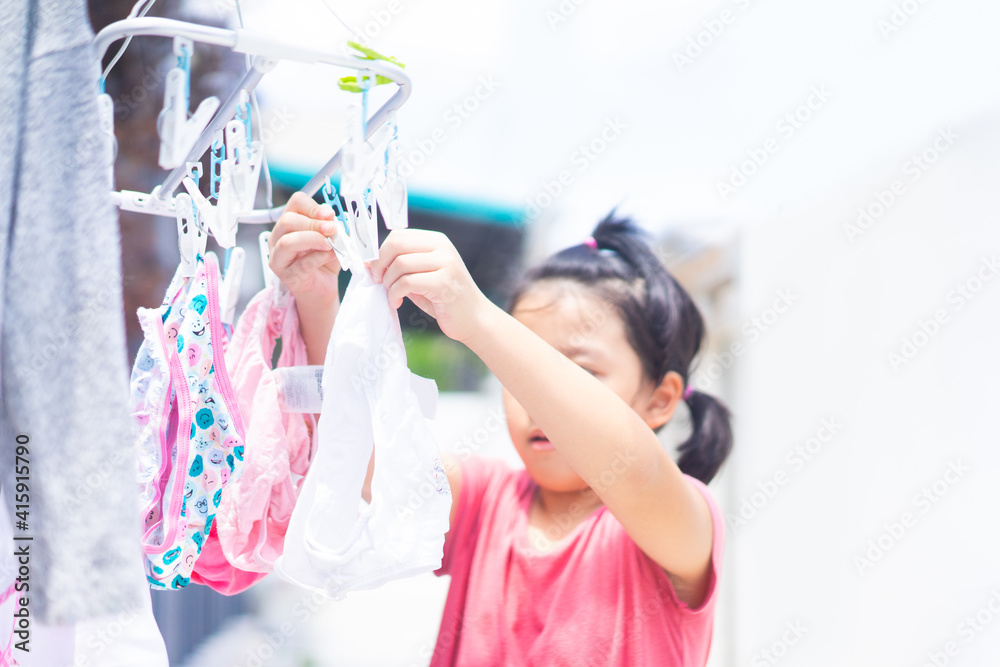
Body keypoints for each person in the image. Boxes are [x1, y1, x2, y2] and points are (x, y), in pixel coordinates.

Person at [267, 192, 734, 666]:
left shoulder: (681, 522)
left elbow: (636, 471)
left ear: (661, 399)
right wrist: (317, 299)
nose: (535, 400)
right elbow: (362, 452)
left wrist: (481, 321)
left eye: (579, 372)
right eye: (522, 372)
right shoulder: (486, 501)